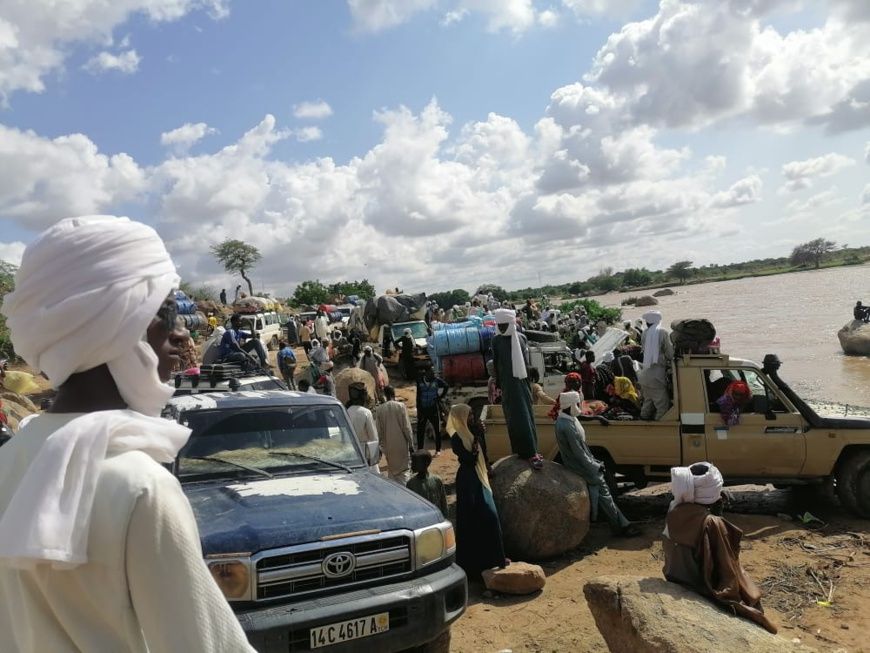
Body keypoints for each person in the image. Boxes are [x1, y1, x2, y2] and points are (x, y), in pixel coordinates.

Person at [0, 216, 254, 652]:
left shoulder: (10, 459)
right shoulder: (140, 486)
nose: (181, 333)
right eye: (163, 312)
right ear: (111, 325)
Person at [663, 463, 776, 633]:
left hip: (675, 577)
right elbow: (728, 570)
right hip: (698, 587)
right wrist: (749, 602)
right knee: (755, 602)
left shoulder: (674, 508)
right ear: (713, 494)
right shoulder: (711, 523)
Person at [555, 392, 639, 537]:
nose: (578, 406)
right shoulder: (566, 425)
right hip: (578, 465)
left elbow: (582, 449)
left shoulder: (568, 418)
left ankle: (619, 523)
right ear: (570, 405)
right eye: (576, 404)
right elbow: (578, 453)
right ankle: (622, 526)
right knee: (604, 492)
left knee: (602, 491)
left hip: (584, 461)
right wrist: (595, 466)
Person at [447, 404, 508, 578]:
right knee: (472, 520)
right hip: (468, 479)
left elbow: (484, 453)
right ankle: (472, 566)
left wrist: (488, 467)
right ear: (460, 418)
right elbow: (469, 458)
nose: (472, 418)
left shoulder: (475, 432)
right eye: (468, 415)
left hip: (480, 476)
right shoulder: (457, 438)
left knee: (490, 515)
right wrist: (476, 436)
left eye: (472, 414)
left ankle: (497, 559)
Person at [491, 308, 543, 470]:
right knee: (514, 419)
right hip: (511, 385)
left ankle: (531, 452)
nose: (501, 328)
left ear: (511, 323)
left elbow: (522, 363)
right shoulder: (498, 341)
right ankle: (521, 451)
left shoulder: (518, 339)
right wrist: (500, 384)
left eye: (504, 325)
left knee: (524, 417)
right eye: (500, 325)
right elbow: (498, 365)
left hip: (519, 385)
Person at [639, 310, 674, 420]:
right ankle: (659, 427)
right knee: (663, 406)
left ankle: (643, 420)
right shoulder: (663, 332)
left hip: (644, 375)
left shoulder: (644, 333)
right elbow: (670, 353)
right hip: (656, 376)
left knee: (648, 402)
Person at [375, 386, 414, 483]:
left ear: (385, 395)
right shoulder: (400, 406)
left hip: (388, 447)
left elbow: (378, 431)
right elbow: (407, 428)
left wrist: (380, 447)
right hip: (401, 445)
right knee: (404, 471)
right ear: (393, 394)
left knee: (392, 471)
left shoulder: (380, 409)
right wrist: (411, 444)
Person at [346, 382, 380, 474]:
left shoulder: (346, 411)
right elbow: (374, 438)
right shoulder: (366, 412)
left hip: (350, 453)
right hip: (365, 453)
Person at [416, 368, 448, 455]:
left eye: (434, 374)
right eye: (431, 373)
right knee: (420, 430)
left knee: (437, 429)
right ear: (426, 374)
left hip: (433, 408)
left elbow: (446, 386)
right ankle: (420, 449)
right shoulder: (420, 381)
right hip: (423, 409)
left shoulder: (436, 381)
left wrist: (440, 397)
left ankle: (438, 450)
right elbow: (418, 396)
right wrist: (418, 409)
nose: (433, 375)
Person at [406, 450, 448, 516]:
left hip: (437, 517)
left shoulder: (437, 480)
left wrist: (445, 517)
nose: (412, 464)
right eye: (412, 462)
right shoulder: (410, 484)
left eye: (415, 462)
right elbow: (410, 507)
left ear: (426, 463)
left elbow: (443, 502)